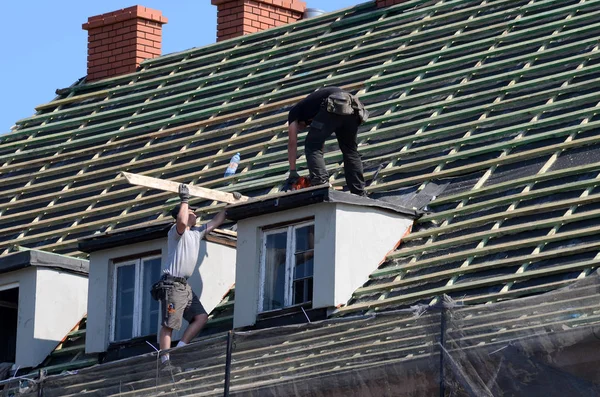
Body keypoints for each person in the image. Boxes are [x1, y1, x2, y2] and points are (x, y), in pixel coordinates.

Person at [151, 184, 240, 375]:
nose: (196, 214)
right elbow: (182, 222)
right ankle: (165, 360)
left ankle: (180, 349)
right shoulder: (176, 232)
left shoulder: (196, 233)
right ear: (181, 213)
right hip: (172, 284)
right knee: (169, 323)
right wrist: (184, 200)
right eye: (192, 211)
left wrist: (228, 208)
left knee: (201, 317)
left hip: (184, 286)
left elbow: (215, 222)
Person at [286, 86, 368, 196]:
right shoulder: (314, 109)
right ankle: (359, 191)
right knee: (350, 150)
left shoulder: (294, 112)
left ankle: (320, 183)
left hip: (336, 102)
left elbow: (292, 142)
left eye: (300, 128)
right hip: (354, 107)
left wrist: (292, 171)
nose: (301, 129)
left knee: (312, 145)